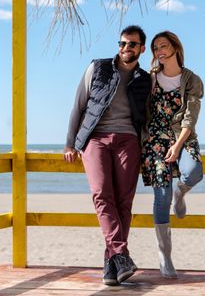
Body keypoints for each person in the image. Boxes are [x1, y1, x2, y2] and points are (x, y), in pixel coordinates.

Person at [64, 25, 151, 285]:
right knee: (102, 194)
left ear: (141, 49)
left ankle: (111, 265)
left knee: (124, 202)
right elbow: (78, 105)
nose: (126, 48)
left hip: (129, 141)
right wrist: (70, 144)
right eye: (122, 43)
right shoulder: (98, 67)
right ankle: (121, 254)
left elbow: (146, 117)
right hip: (95, 139)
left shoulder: (145, 79)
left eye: (132, 44)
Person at [140, 31, 204, 278]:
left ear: (176, 48)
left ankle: (182, 192)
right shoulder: (151, 79)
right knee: (161, 196)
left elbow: (191, 116)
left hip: (183, 137)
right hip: (155, 140)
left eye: (164, 46)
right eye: (156, 48)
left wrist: (177, 147)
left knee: (193, 172)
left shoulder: (192, 80)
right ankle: (164, 256)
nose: (159, 51)